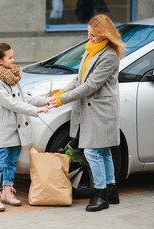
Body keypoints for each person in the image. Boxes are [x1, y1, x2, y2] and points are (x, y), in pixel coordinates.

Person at [48, 14, 125, 212]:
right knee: (103, 151)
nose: (89, 38)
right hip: (92, 110)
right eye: (88, 34)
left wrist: (61, 100)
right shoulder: (90, 50)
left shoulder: (109, 55)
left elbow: (91, 85)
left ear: (104, 34)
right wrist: (62, 92)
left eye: (93, 35)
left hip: (101, 111)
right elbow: (79, 79)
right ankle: (111, 190)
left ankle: (100, 195)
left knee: (92, 151)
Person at [0, 43, 49, 212]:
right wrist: (36, 110)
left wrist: (47, 100)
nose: (13, 60)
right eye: (10, 57)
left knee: (11, 162)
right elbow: (12, 103)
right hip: (4, 130)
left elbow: (25, 98)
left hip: (18, 129)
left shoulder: (12, 78)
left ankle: (7, 191)